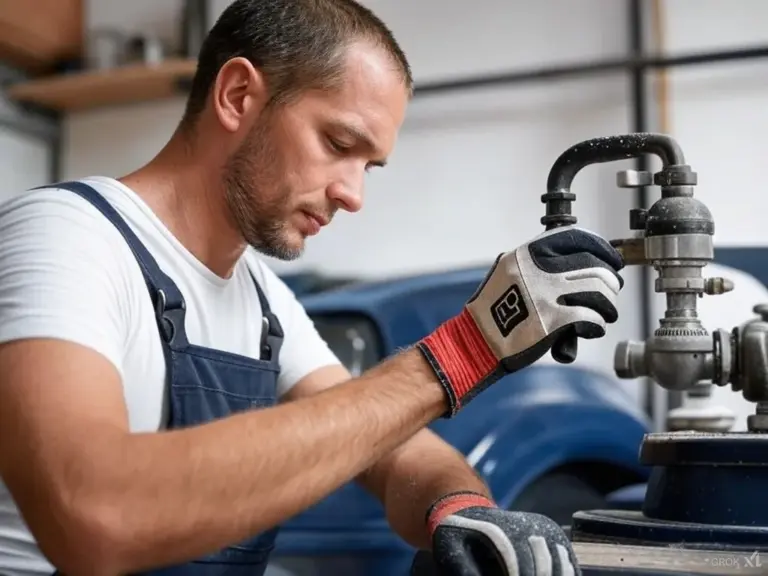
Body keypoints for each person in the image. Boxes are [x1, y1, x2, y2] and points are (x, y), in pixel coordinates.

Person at [0, 1, 624, 575]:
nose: (353, 195)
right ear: (238, 95)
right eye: (338, 144)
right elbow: (94, 513)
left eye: (368, 166)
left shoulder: (263, 299)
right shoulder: (68, 235)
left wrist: (459, 510)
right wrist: (461, 355)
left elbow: (398, 451)